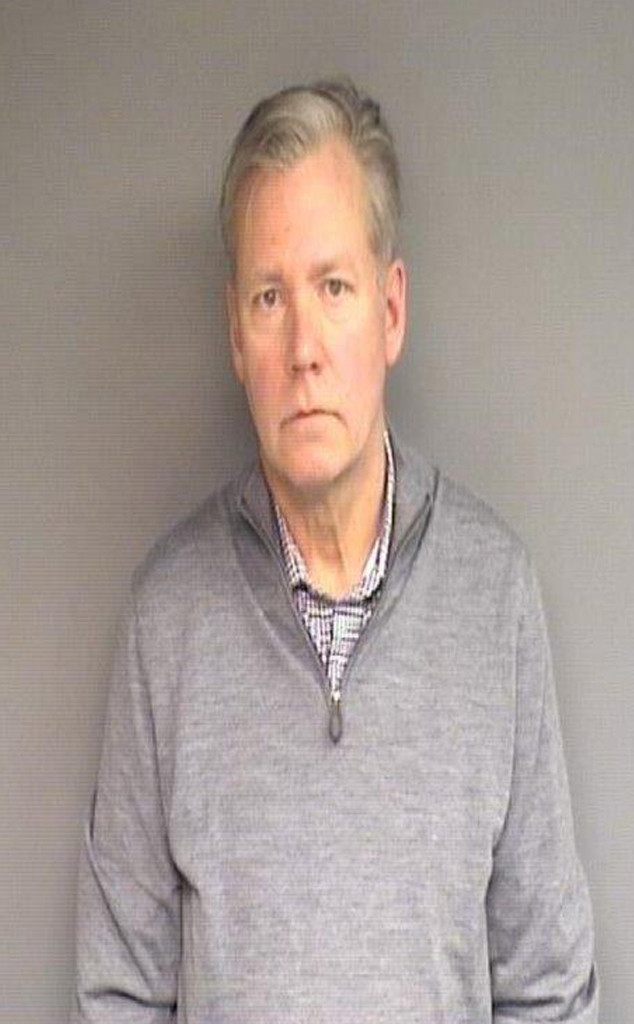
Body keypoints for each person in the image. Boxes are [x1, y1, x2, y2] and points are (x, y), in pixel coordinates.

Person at [72, 77, 599, 1023]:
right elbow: (118, 995)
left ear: (390, 311)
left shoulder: (495, 597)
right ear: (236, 333)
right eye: (270, 297)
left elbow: (551, 988)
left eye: (334, 288)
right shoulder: (168, 619)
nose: (303, 348)